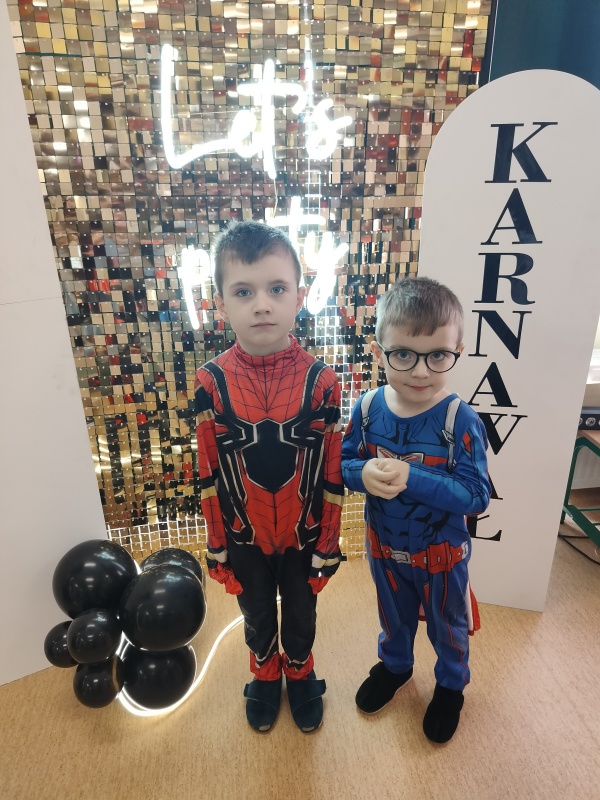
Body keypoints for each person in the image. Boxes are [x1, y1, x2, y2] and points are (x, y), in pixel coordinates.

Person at [194, 220, 344, 733]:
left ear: (300, 296)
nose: (262, 305)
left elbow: (332, 471)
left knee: (301, 611)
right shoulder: (210, 382)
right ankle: (264, 671)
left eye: (276, 289)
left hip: (303, 530)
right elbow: (208, 471)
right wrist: (217, 545)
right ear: (220, 304)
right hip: (244, 529)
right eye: (244, 292)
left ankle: (300, 671)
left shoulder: (323, 381)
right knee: (256, 611)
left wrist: (328, 543)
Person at [341, 276, 490, 743]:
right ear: (378, 352)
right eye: (403, 354)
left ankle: (451, 685)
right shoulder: (367, 409)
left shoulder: (460, 420)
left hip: (442, 556)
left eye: (438, 356)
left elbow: (476, 495)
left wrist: (413, 477)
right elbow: (342, 465)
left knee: (448, 625)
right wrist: (361, 473)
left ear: (457, 351)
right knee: (393, 615)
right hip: (385, 549)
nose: (421, 372)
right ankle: (395, 666)